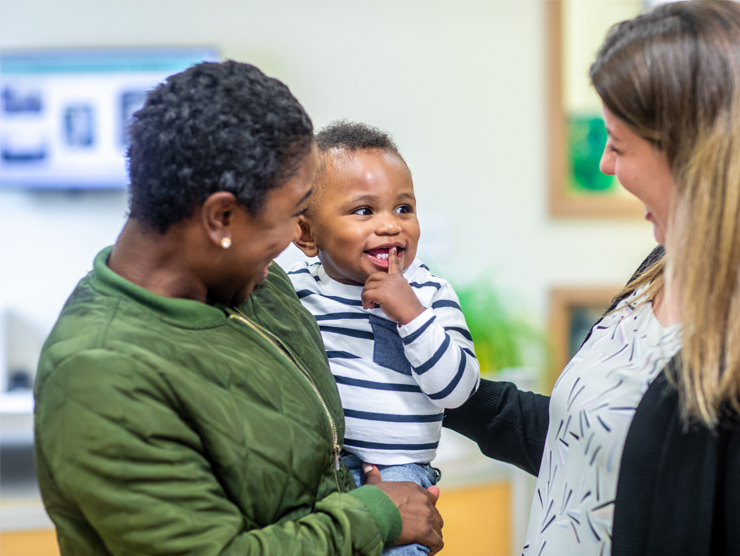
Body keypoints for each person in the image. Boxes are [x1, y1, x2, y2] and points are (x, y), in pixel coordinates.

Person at [33, 61, 443, 556]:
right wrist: (374, 515)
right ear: (222, 217)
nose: (297, 238)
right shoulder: (99, 373)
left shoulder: (261, 290)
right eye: (293, 215)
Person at [444, 2, 740, 555]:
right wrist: (442, 378)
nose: (604, 163)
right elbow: (583, 442)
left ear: (690, 153)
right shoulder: (657, 272)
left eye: (620, 144)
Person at [288, 121, 480, 555]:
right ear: (306, 233)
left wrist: (410, 315)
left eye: (403, 209)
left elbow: (458, 390)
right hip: (320, 474)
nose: (390, 226)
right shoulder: (296, 292)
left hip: (401, 474)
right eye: (363, 211)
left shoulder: (430, 294)